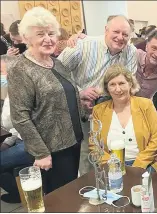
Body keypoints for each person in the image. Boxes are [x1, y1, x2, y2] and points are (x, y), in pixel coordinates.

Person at [7, 7, 84, 194]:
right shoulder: (20, 69)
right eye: (40, 34)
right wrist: (41, 153)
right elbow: (20, 116)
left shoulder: (56, 63)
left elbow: (63, 94)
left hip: (72, 140)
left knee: (70, 192)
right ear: (27, 38)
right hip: (50, 149)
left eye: (51, 33)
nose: (48, 39)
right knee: (58, 198)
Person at [57, 15, 137, 176]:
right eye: (116, 32)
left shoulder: (131, 52)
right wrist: (79, 93)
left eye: (125, 34)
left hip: (110, 108)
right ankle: (88, 189)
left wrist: (104, 97)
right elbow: (56, 73)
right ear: (106, 30)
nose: (120, 37)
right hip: (80, 110)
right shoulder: (82, 46)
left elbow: (130, 82)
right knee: (87, 152)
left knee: (110, 149)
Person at [91, 65, 157, 172]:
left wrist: (139, 164)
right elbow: (94, 145)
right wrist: (111, 165)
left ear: (130, 84)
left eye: (121, 83)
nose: (118, 89)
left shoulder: (145, 105)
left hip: (146, 162)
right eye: (112, 84)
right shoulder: (98, 110)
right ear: (107, 88)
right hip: (112, 165)